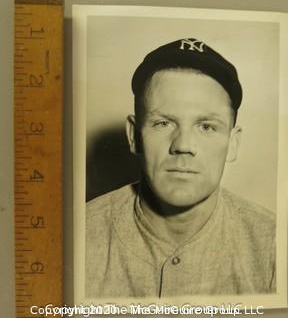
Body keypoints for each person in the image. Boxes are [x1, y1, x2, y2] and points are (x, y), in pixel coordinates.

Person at [86, 38, 276, 297]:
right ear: (134, 135)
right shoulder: (78, 238)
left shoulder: (274, 246)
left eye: (207, 126)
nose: (183, 145)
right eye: (163, 123)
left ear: (233, 143)